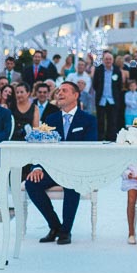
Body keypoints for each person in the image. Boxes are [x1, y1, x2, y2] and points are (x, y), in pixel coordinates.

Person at [25, 82, 98, 245]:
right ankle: (55, 226)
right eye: (58, 91)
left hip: (76, 170)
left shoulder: (88, 120)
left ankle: (66, 231)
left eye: (64, 91)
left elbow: (90, 149)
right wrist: (37, 166)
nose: (59, 94)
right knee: (31, 183)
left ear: (76, 95)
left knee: (72, 183)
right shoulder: (51, 119)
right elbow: (41, 145)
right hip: (52, 169)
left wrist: (74, 168)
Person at [92, 50, 126, 141]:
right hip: (101, 99)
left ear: (113, 60)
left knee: (112, 121)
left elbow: (119, 85)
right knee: (101, 121)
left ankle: (111, 138)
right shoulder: (98, 69)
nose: (108, 61)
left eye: (110, 59)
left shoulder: (116, 70)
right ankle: (100, 138)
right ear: (103, 60)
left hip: (112, 100)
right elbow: (95, 84)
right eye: (106, 59)